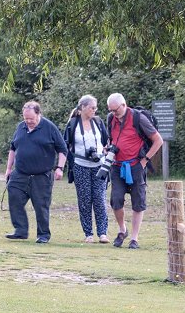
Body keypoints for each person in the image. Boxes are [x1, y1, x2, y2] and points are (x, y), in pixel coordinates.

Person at [4, 101, 68, 243]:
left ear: (39, 114)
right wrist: (9, 169)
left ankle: (43, 235)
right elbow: (13, 148)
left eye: (31, 119)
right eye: (26, 119)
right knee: (14, 198)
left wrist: (60, 168)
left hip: (42, 175)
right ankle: (20, 230)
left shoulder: (49, 128)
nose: (28, 121)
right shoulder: (21, 127)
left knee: (41, 205)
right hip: (20, 173)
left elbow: (62, 149)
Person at [106, 93, 163, 249]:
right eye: (110, 110)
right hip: (117, 166)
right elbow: (111, 138)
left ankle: (134, 239)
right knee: (116, 200)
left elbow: (158, 140)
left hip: (135, 166)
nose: (113, 113)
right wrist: (108, 149)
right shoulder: (111, 119)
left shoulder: (138, 119)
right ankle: (122, 230)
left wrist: (145, 161)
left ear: (124, 105)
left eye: (115, 110)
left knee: (138, 202)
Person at [64, 95, 110, 243]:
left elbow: (107, 141)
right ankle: (88, 234)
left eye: (95, 108)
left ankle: (103, 233)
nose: (94, 110)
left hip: (99, 166)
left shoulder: (98, 122)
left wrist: (104, 153)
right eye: (92, 107)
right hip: (80, 165)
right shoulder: (73, 124)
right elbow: (66, 145)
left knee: (100, 199)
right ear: (83, 107)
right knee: (84, 200)